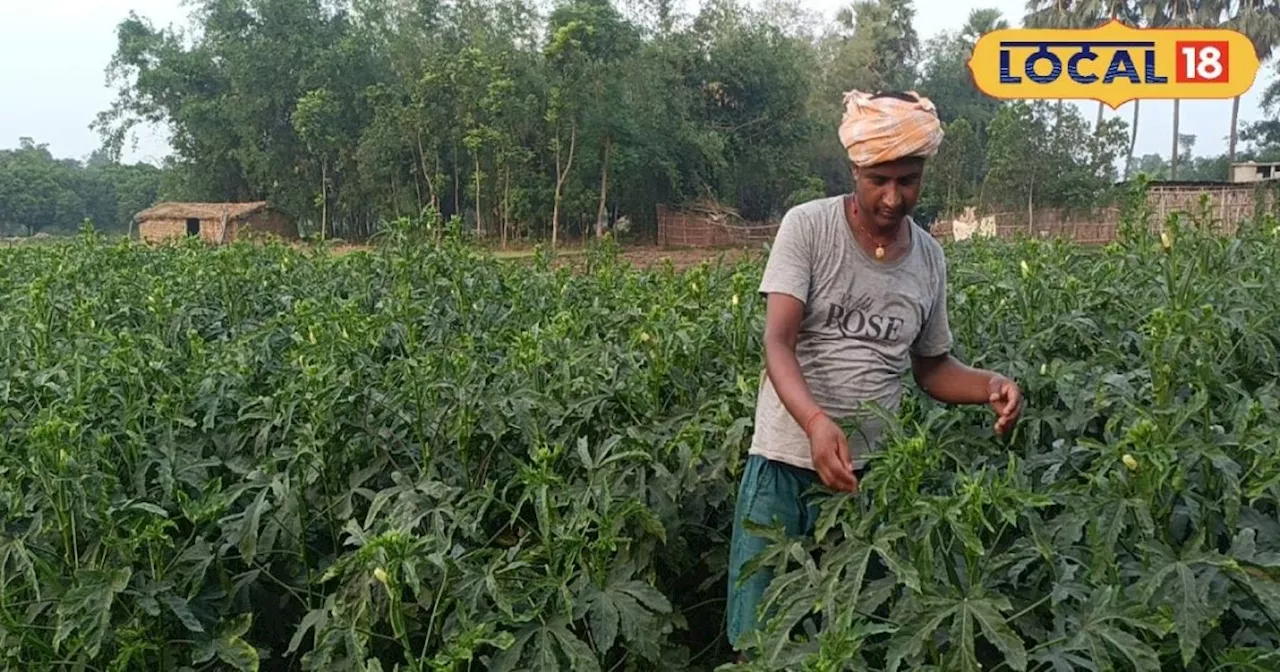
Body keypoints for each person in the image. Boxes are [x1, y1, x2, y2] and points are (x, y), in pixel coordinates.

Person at [725, 89, 1023, 655]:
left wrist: (990, 385)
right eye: (878, 179)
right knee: (761, 637)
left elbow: (932, 367)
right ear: (855, 169)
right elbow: (777, 342)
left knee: (851, 635)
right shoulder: (808, 228)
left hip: (871, 477)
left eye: (907, 180)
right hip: (785, 463)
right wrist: (815, 422)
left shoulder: (930, 258)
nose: (893, 196)